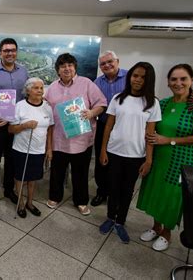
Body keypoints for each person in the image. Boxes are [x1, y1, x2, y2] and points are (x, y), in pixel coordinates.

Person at [137, 63, 193, 251]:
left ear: (191, 80)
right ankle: (156, 226)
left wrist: (169, 140)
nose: (178, 83)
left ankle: (167, 232)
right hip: (159, 158)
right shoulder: (163, 104)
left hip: (182, 161)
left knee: (172, 197)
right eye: (174, 79)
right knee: (156, 192)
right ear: (168, 83)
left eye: (183, 79)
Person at [98, 62, 161, 244]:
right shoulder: (118, 98)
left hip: (136, 155)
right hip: (114, 152)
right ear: (129, 77)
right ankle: (110, 218)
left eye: (143, 77)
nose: (138, 80)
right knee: (113, 187)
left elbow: (150, 134)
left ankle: (120, 222)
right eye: (135, 76)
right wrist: (103, 150)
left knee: (127, 190)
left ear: (148, 80)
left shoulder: (152, 103)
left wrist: (148, 159)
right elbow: (108, 126)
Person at [45, 53, 106, 215]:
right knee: (57, 171)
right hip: (59, 139)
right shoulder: (52, 87)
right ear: (58, 70)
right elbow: (45, 108)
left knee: (81, 172)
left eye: (70, 65)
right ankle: (55, 196)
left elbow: (101, 104)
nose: (67, 69)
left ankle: (80, 200)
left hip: (82, 139)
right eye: (63, 66)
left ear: (75, 67)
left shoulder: (86, 83)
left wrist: (92, 113)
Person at [0, 38, 29, 209]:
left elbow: (26, 96)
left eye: (13, 50)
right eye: (6, 50)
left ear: (16, 52)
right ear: (0, 52)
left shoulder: (24, 72)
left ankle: (9, 190)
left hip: (15, 125)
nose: (10, 53)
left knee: (12, 159)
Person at [8, 77, 53, 218]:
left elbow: (50, 129)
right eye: (36, 88)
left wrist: (49, 148)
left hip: (39, 150)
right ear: (28, 90)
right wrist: (24, 126)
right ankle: (20, 203)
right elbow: (10, 129)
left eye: (41, 88)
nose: (40, 90)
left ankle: (30, 202)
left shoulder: (47, 107)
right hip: (22, 149)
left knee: (33, 178)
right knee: (20, 177)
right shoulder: (20, 106)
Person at [91, 51, 128, 207]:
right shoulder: (97, 83)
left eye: (110, 61)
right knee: (102, 160)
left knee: (121, 161)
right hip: (103, 125)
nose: (106, 65)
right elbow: (92, 103)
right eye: (103, 64)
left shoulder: (130, 77)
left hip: (125, 127)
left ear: (117, 61)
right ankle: (102, 192)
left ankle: (118, 194)